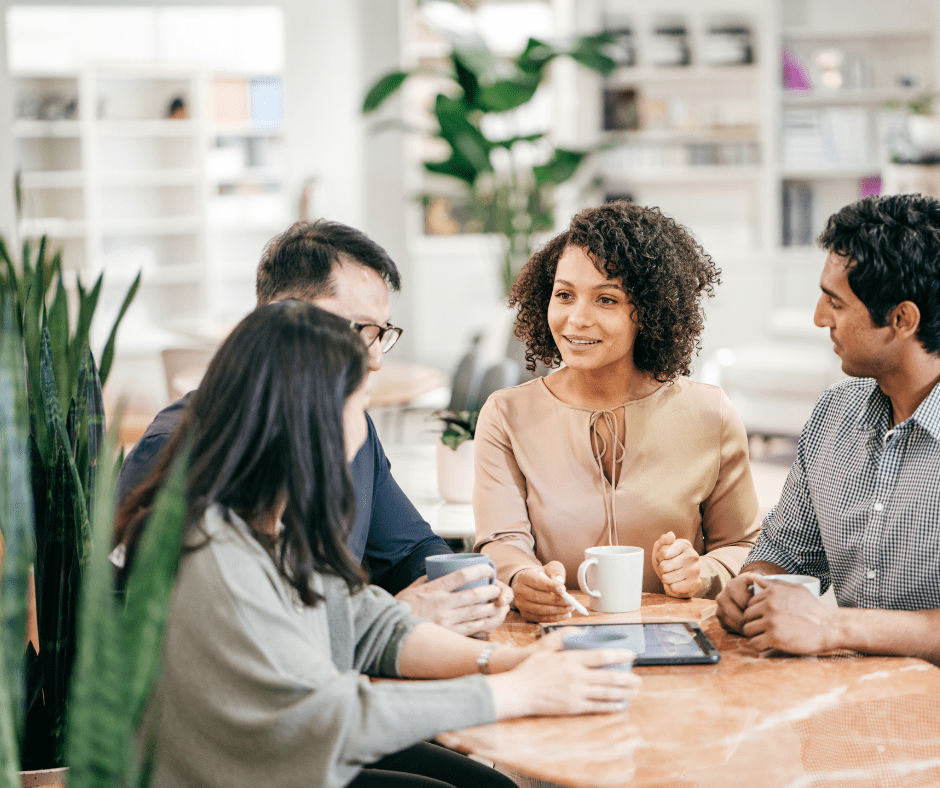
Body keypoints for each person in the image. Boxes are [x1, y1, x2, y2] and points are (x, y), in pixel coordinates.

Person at [115, 301, 641, 788]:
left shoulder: (270, 523)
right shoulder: (213, 553)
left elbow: (367, 624)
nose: (362, 425)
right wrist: (514, 691)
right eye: (357, 401)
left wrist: (509, 663)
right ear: (312, 416)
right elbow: (332, 717)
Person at [118, 220, 510, 637]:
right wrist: (393, 617)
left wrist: (463, 591)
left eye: (384, 333)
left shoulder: (350, 430)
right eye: (361, 330)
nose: (376, 358)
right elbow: (201, 636)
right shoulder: (181, 448)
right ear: (285, 321)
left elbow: (409, 549)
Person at [473, 201, 761, 623]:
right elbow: (501, 540)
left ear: (649, 310)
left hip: (677, 643)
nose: (577, 319)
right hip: (557, 642)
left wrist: (703, 573)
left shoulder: (709, 414)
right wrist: (522, 578)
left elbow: (745, 545)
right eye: (564, 295)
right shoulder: (506, 414)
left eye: (606, 299)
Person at [716, 193, 940, 663]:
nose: (819, 318)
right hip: (847, 709)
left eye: (835, 303)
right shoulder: (833, 413)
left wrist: (832, 624)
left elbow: (829, 624)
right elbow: (787, 551)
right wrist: (753, 588)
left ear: (902, 320)